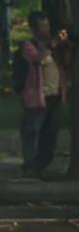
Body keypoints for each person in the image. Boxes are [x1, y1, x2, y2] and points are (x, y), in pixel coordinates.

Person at [17, 12, 68, 178]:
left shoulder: (54, 46)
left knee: (50, 134)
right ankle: (30, 166)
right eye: (42, 26)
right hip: (38, 97)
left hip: (55, 95)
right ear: (33, 29)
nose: (45, 30)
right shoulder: (28, 45)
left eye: (47, 26)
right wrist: (53, 44)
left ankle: (42, 165)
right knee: (32, 132)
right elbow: (37, 59)